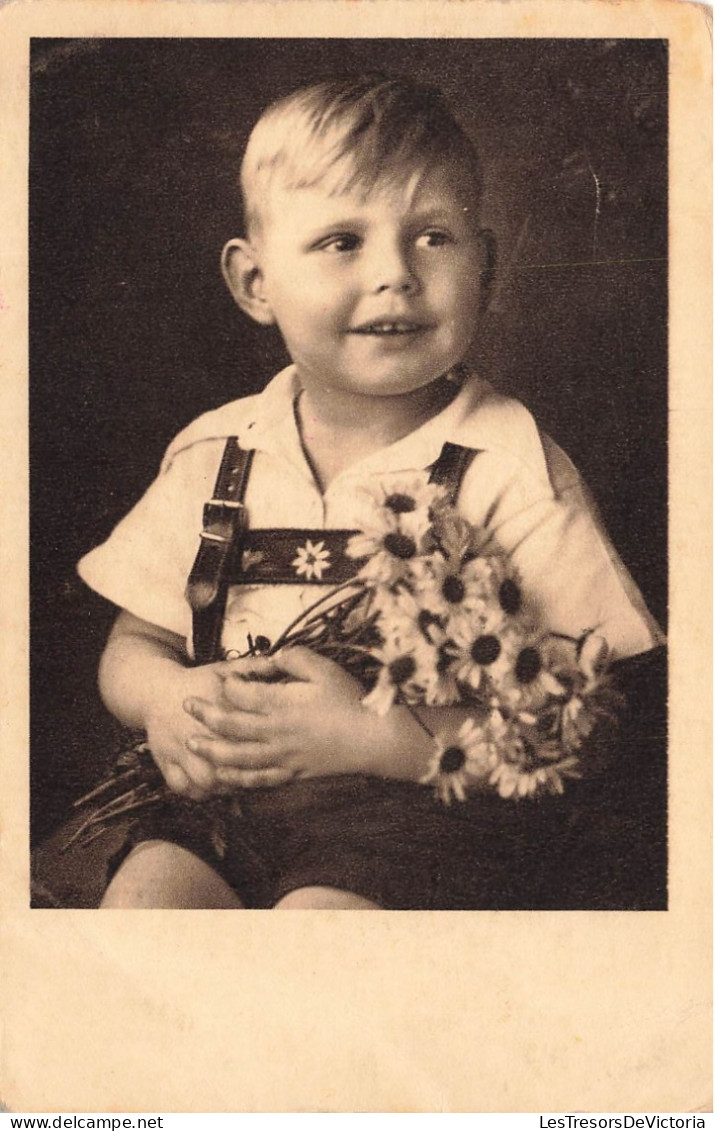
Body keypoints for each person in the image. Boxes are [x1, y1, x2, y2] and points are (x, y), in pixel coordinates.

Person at [77, 75, 664, 910]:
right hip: (223, 800)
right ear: (254, 283)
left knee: (321, 935)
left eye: (431, 237)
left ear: (487, 266)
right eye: (341, 242)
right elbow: (132, 645)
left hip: (416, 815)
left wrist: (369, 733)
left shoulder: (509, 464)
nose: (394, 275)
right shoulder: (218, 454)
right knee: (139, 913)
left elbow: (582, 726)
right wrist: (167, 699)